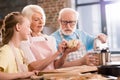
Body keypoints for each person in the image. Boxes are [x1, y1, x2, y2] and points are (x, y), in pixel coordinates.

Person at [20, 5, 79, 71]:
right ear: (28, 21)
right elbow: (34, 67)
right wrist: (57, 53)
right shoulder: (24, 41)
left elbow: (56, 65)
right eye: (36, 20)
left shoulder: (50, 39)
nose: (41, 22)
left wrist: (65, 53)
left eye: (42, 18)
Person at [0, 12, 36, 79]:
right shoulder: (6, 51)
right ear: (18, 27)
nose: (30, 31)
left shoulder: (20, 51)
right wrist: (21, 75)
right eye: (28, 26)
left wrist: (30, 73)